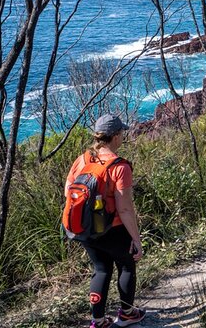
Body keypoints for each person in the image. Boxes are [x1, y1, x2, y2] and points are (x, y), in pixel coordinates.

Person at [65, 114, 146, 328]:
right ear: (116, 136)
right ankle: (128, 313)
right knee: (127, 266)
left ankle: (98, 321)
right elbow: (125, 209)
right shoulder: (120, 167)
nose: (123, 137)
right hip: (114, 229)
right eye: (122, 133)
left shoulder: (82, 159)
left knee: (101, 270)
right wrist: (136, 240)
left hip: (86, 229)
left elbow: (68, 190)